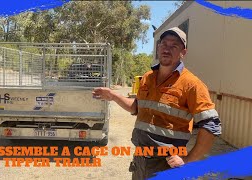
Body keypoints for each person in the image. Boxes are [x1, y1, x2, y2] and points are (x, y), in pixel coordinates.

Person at [92, 27, 221, 179]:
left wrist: (188, 160)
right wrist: (113, 96)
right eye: (164, 44)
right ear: (158, 47)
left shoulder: (191, 84)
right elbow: (136, 108)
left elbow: (211, 125)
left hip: (167, 165)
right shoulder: (147, 78)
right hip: (140, 160)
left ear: (183, 52)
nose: (167, 49)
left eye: (174, 46)